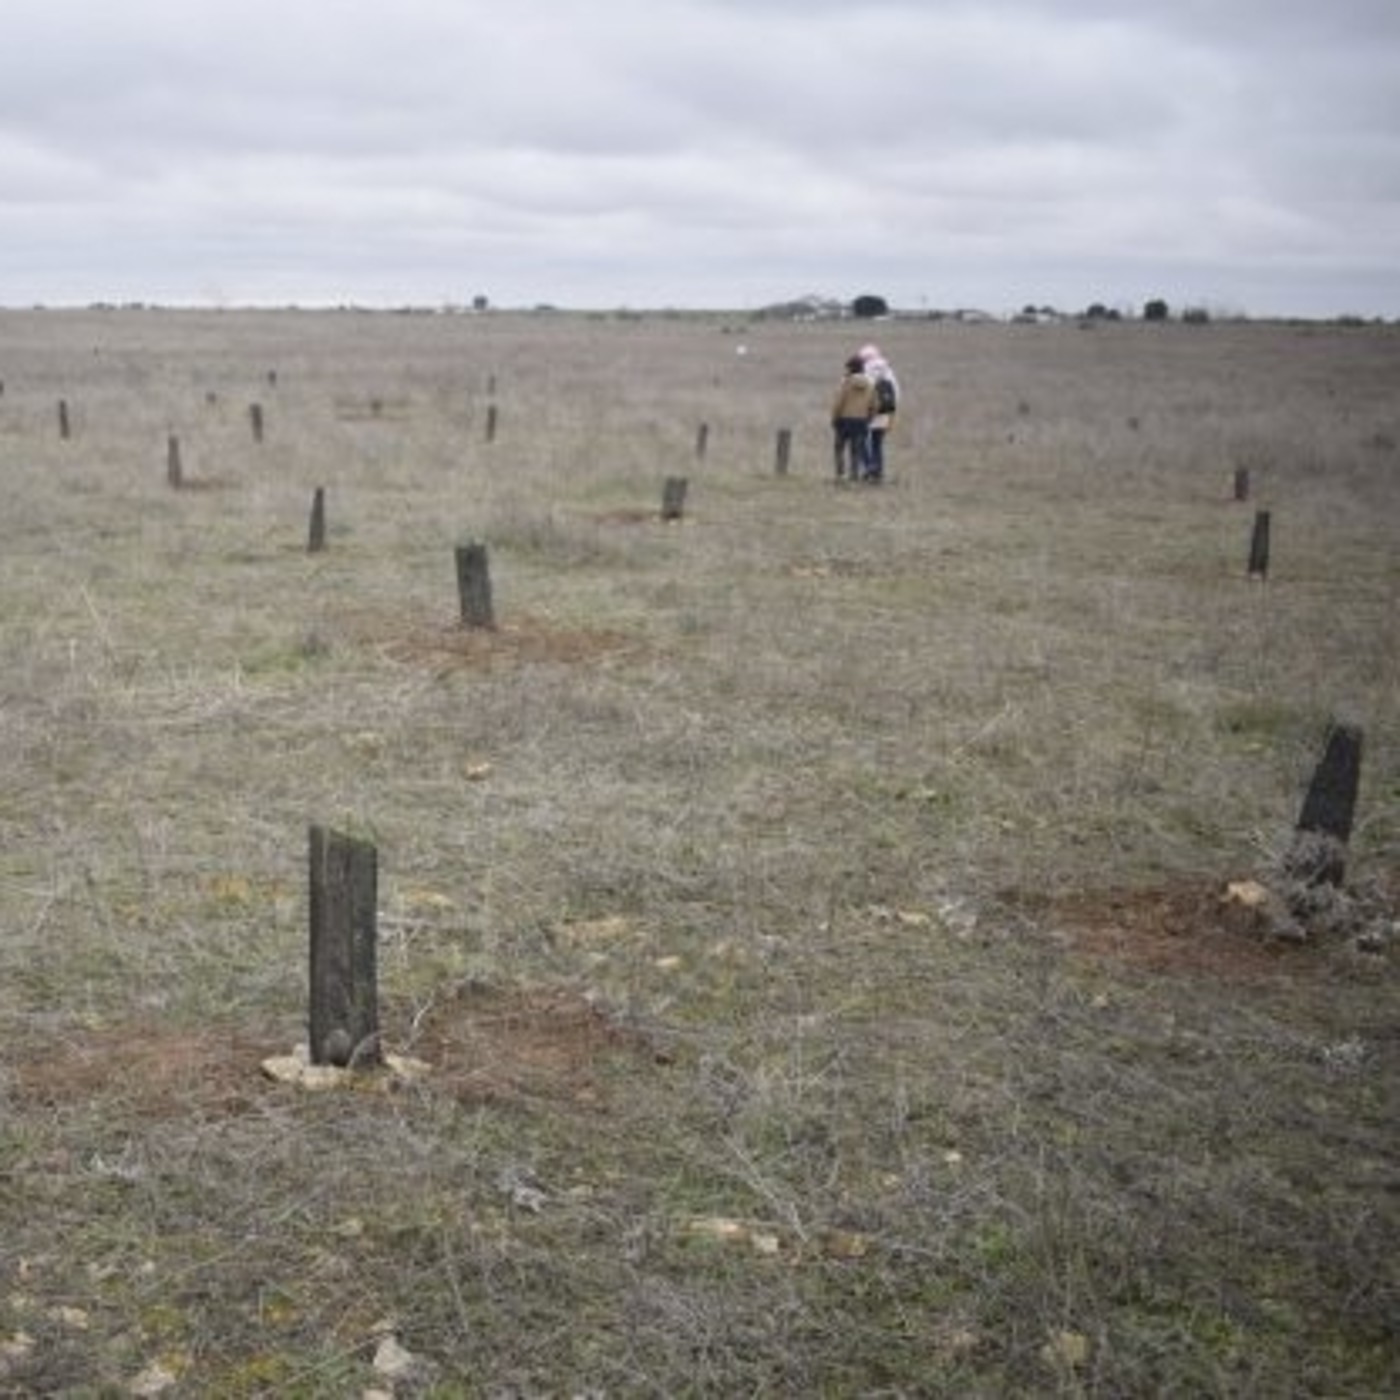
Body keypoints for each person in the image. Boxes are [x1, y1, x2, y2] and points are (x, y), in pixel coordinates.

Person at [859, 344, 900, 483]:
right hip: (885, 412)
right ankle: (878, 473)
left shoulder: (865, 371)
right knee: (877, 444)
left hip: (868, 413)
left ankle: (869, 467)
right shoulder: (888, 372)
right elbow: (897, 394)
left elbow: (863, 393)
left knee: (861, 441)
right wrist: (892, 413)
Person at [830, 354, 875, 482]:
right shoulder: (870, 384)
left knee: (839, 448)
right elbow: (875, 404)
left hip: (844, 420)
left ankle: (840, 475)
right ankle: (854, 475)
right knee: (855, 451)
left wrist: (834, 418)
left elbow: (839, 402)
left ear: (851, 368)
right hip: (861, 421)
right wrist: (869, 419)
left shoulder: (846, 382)